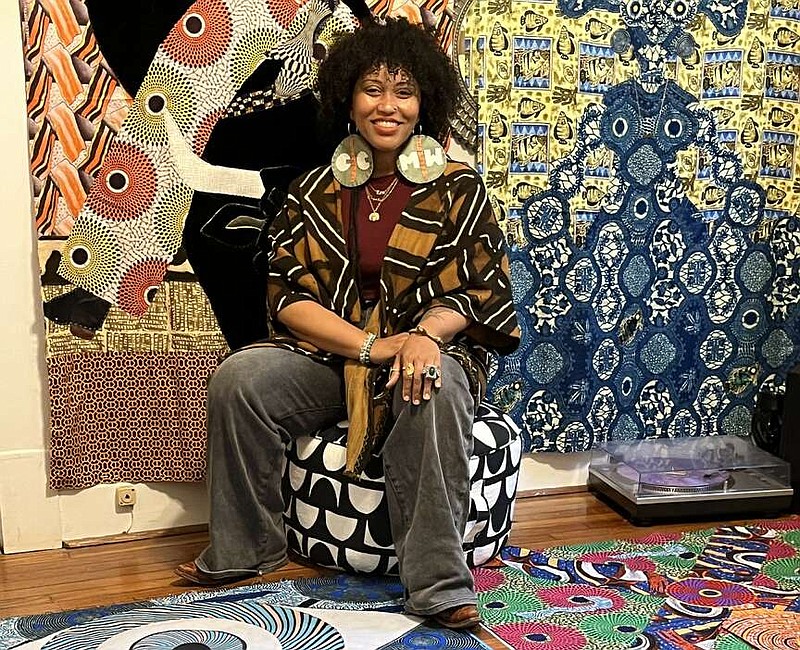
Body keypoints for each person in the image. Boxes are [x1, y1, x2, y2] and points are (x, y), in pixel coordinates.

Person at [175, 17, 519, 630]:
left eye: (404, 91)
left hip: (427, 352)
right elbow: (286, 299)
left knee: (427, 387)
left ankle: (437, 584)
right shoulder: (314, 190)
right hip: (336, 357)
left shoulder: (459, 187)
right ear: (348, 99)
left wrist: (422, 338)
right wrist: (370, 345)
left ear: (424, 103)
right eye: (373, 89)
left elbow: (479, 289)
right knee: (241, 378)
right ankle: (248, 548)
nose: (388, 105)